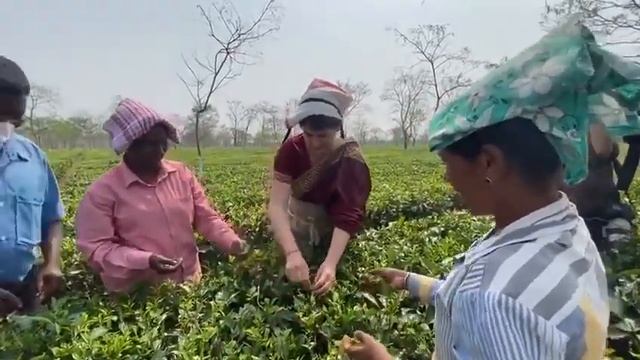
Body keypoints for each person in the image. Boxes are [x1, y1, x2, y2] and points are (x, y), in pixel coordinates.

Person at [344, 17, 640, 360]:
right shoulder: (568, 230)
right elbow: (511, 296)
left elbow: (493, 299)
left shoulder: (493, 300)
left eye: (447, 165)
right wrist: (413, 282)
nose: (447, 180)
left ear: (489, 163)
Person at [75, 98, 248, 293]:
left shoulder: (182, 175)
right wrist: (145, 260)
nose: (159, 151)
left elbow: (206, 217)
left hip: (190, 289)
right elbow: (97, 249)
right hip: (138, 299)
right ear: (129, 145)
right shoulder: (102, 192)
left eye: (162, 143)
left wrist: (232, 242)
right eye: (149, 144)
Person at [268, 79, 372, 296]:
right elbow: (277, 205)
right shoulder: (291, 151)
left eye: (322, 136)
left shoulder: (350, 158)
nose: (314, 143)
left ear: (337, 129)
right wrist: (292, 252)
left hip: (333, 234)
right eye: (308, 135)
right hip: (296, 228)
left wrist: (331, 263)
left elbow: (348, 215)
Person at [0, 56, 65, 316]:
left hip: (24, 290)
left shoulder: (34, 157)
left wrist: (52, 263)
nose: (4, 132)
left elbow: (51, 218)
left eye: (10, 123)